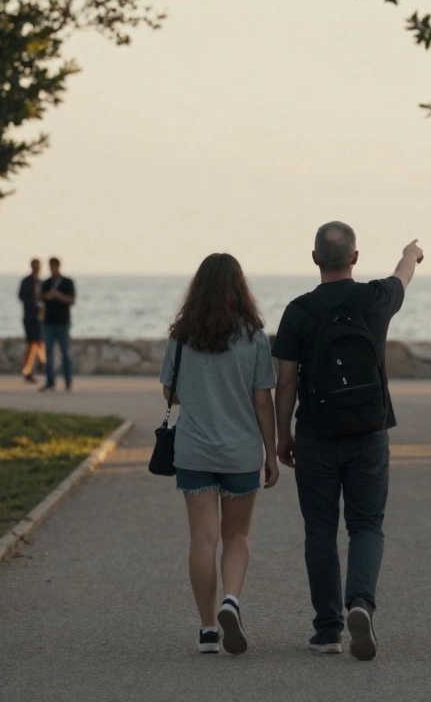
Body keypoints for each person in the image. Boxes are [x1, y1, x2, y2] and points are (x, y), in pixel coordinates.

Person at [272, 222, 423, 662]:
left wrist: (283, 436)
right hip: (369, 432)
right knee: (366, 526)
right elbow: (403, 275)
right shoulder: (375, 299)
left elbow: (285, 382)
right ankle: (361, 603)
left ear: (314, 258)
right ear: (355, 258)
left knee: (320, 531)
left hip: (316, 434)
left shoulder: (298, 311)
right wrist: (411, 253)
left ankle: (327, 630)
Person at [159, 253, 279, 656]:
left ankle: (208, 629)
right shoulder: (254, 337)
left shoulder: (181, 336)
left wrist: (201, 390)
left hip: (194, 451)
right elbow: (262, 401)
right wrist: (271, 454)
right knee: (237, 535)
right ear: (239, 288)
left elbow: (171, 393)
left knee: (203, 538)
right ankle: (231, 600)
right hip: (241, 453)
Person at [40, 257, 76, 392]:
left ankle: (68, 380)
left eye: (54, 266)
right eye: (50, 267)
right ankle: (50, 381)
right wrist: (47, 296)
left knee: (65, 352)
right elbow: (40, 298)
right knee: (48, 352)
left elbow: (71, 300)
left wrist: (59, 296)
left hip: (63, 322)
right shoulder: (47, 283)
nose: (52, 269)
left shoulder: (67, 282)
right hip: (49, 322)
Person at [19, 258, 46, 384]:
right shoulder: (26, 281)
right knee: (32, 342)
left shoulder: (42, 282)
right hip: (29, 316)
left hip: (39, 317)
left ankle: (41, 363)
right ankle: (29, 368)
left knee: (39, 342)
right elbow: (21, 296)